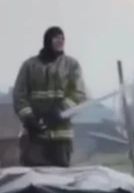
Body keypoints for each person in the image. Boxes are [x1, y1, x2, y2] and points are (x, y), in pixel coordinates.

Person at [12, 26, 87, 167]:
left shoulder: (71, 65)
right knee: (33, 180)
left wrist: (61, 111)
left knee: (59, 182)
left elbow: (79, 94)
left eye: (62, 38)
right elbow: (19, 95)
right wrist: (29, 119)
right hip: (35, 136)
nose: (61, 41)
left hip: (61, 138)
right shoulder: (29, 66)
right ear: (47, 40)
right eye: (57, 37)